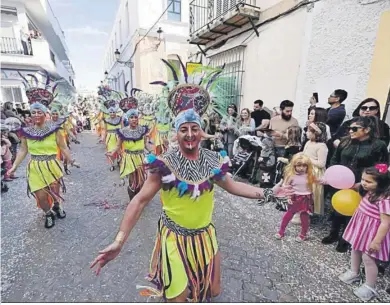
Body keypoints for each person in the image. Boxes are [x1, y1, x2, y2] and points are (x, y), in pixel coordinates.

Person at [90, 81, 293, 303]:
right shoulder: (164, 164)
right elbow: (139, 201)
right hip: (174, 239)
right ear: (175, 134)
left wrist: (268, 193)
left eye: (194, 128)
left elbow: (233, 186)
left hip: (205, 237)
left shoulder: (212, 160)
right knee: (178, 297)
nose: (189, 134)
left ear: (202, 132)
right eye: (183, 129)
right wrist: (119, 241)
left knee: (212, 292)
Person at [322, 116, 389, 252]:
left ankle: (345, 239)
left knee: (353, 212)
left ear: (367, 130)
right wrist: (333, 176)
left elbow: (381, 167)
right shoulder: (345, 142)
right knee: (336, 208)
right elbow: (335, 159)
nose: (350, 131)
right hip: (340, 182)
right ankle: (333, 233)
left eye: (354, 128)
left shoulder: (378, 145)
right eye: (349, 128)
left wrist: (362, 183)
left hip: (362, 184)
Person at [7, 101, 75, 228]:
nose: (36, 115)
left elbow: (63, 147)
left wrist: (71, 160)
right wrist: (14, 166)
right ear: (30, 115)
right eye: (33, 112)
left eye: (39, 112)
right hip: (35, 167)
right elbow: (23, 150)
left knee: (55, 193)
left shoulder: (55, 129)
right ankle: (48, 213)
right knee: (41, 196)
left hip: (52, 165)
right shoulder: (25, 132)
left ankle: (57, 205)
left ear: (45, 114)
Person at [339, 165, 390, 301]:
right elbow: (354, 185)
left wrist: (377, 241)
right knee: (355, 248)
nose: (364, 183)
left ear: (381, 183)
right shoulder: (368, 191)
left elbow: (385, 223)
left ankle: (370, 286)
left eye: (368, 181)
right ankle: (354, 272)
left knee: (368, 258)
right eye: (363, 179)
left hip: (373, 233)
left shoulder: (385, 199)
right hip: (361, 229)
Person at [275, 153, 319, 242]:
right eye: (299, 165)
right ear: (294, 166)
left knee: (304, 217)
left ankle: (303, 234)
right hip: (295, 197)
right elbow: (286, 186)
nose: (301, 168)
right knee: (288, 214)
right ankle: (281, 231)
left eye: (304, 166)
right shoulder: (291, 176)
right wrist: (288, 197)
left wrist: (328, 180)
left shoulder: (310, 176)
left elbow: (319, 181)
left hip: (306, 198)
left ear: (308, 166)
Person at [107, 108, 150, 200]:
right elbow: (118, 146)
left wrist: (153, 152)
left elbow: (146, 145)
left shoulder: (142, 130)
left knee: (141, 180)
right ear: (128, 119)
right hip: (129, 159)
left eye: (135, 117)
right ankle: (132, 200)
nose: (134, 119)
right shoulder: (123, 132)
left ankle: (138, 199)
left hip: (140, 158)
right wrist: (112, 153)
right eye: (131, 117)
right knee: (132, 181)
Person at [303, 122, 328, 216]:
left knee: (312, 192)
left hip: (314, 172)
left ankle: (309, 211)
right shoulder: (308, 142)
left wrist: (307, 158)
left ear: (316, 133)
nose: (306, 133)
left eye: (309, 131)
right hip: (304, 169)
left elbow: (321, 164)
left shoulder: (321, 146)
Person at [104, 106, 122, 171]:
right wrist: (104, 140)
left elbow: (123, 129)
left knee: (119, 151)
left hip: (118, 137)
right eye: (110, 112)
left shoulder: (120, 119)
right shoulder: (106, 120)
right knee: (110, 151)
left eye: (113, 112)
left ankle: (119, 162)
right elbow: (105, 131)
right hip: (110, 138)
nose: (112, 113)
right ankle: (112, 165)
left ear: (115, 112)